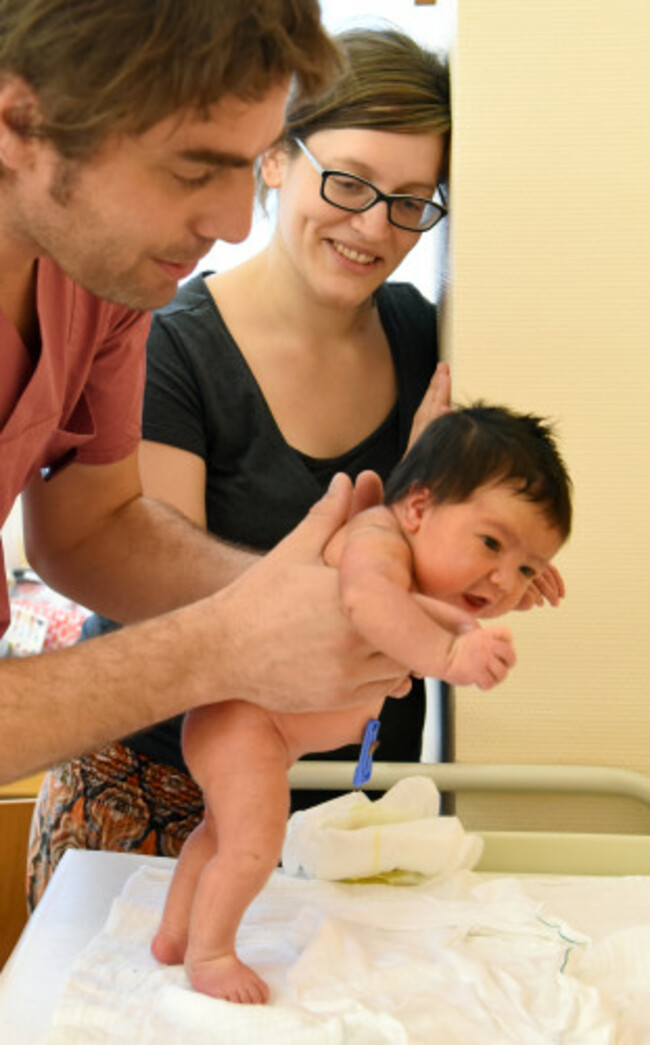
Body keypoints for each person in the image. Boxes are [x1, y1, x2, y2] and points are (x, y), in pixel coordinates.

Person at [26, 25, 458, 904]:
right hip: (167, 794)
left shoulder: (427, 334)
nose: (375, 224)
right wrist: (363, 578)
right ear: (276, 163)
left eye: (413, 200)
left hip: (342, 804)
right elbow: (121, 560)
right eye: (348, 182)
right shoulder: (173, 341)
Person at [150, 404, 573, 1003]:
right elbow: (368, 602)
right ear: (419, 509)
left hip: (257, 731)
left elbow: (439, 605)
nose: (504, 579)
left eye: (526, 565)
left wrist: (510, 590)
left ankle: (173, 935)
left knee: (220, 835)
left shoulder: (420, 566)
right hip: (247, 724)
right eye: (491, 543)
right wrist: (451, 659)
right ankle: (210, 953)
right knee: (253, 845)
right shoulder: (376, 540)